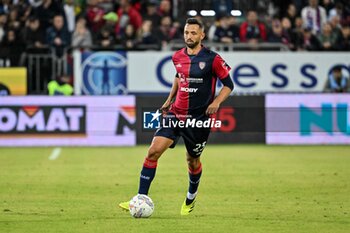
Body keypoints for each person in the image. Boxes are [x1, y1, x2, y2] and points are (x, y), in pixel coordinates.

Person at [119, 18, 234, 215]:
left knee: (192, 161)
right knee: (153, 152)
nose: (189, 36)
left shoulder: (212, 59)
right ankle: (140, 198)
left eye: (193, 33)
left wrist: (216, 103)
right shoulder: (177, 57)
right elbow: (178, 78)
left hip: (198, 120)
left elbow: (229, 85)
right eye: (186, 32)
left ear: (202, 35)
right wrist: (169, 99)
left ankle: (190, 198)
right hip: (176, 114)